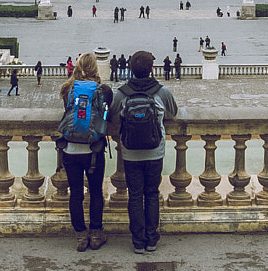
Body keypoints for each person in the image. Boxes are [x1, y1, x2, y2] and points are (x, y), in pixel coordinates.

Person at [115, 52, 178, 254]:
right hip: (154, 151)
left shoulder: (122, 93)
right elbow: (173, 113)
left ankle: (137, 241)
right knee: (151, 194)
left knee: (134, 196)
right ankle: (152, 240)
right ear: (152, 69)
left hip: (130, 153)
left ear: (130, 69)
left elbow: (113, 116)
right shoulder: (162, 92)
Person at [56, 53, 113, 252]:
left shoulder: (67, 89)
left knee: (76, 194)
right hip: (93, 151)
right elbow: (107, 115)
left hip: (70, 150)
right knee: (96, 192)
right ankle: (96, 234)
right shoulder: (103, 90)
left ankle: (81, 235)